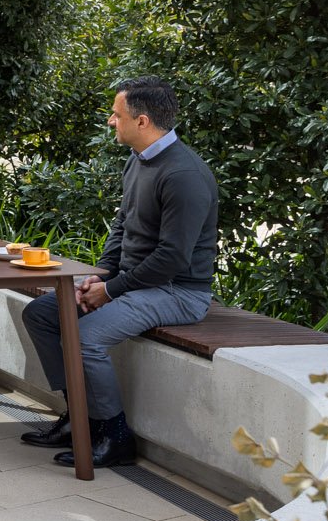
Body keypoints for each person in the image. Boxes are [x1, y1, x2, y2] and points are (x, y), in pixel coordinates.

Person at [19, 76, 217, 469]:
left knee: (85, 338)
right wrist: (103, 274)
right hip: (137, 282)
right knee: (41, 313)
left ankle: (114, 434)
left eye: (117, 114)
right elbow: (123, 226)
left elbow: (172, 259)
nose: (111, 120)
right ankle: (79, 416)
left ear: (141, 121)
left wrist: (111, 291)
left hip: (178, 291)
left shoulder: (184, 176)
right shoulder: (138, 160)